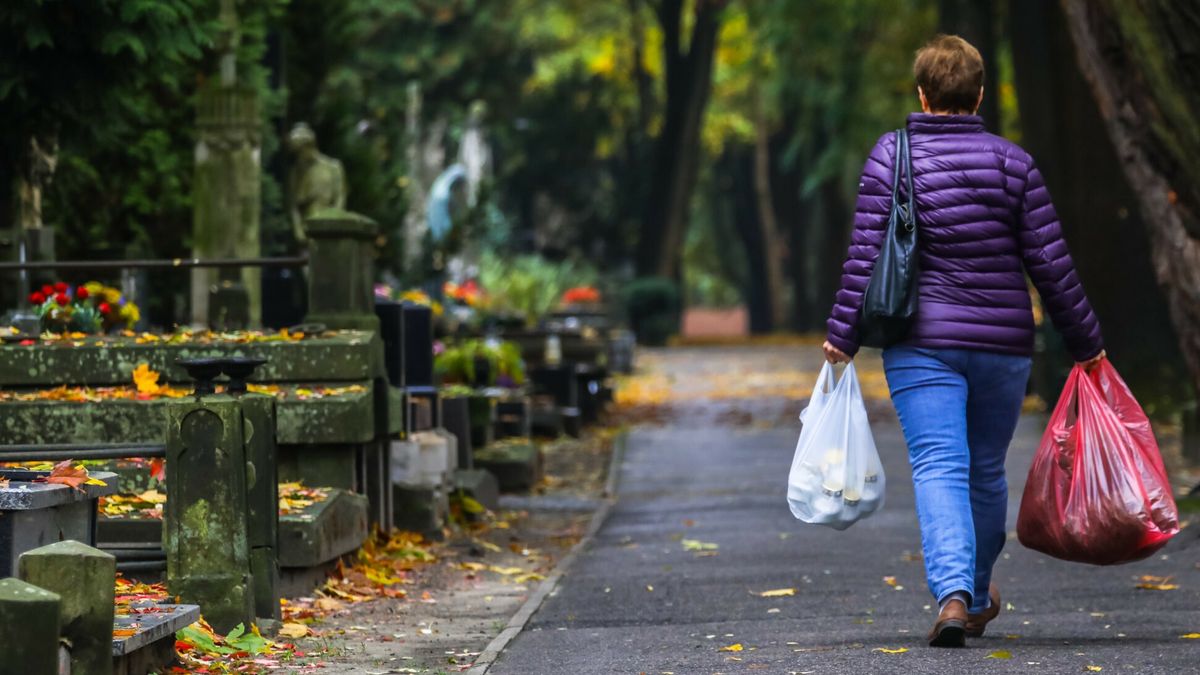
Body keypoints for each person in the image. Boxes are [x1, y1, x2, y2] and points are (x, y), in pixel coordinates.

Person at [822, 35, 1106, 648]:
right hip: (1004, 344)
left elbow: (864, 255)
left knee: (938, 465)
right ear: (979, 95)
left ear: (922, 94)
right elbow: (1051, 265)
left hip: (920, 341)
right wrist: (1087, 343)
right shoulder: (1014, 163)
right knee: (983, 470)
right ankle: (974, 595)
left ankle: (955, 595)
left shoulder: (889, 156)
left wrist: (842, 336)